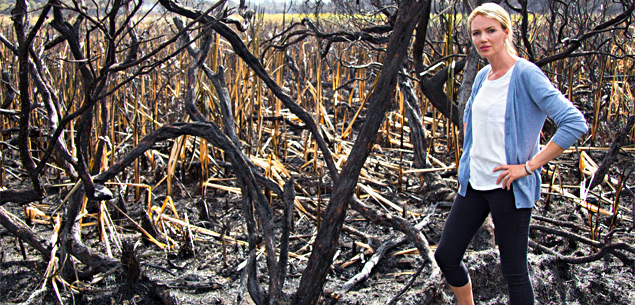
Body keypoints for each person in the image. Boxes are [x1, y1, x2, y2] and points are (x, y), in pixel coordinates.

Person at [433, 3, 588, 305]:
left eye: (491, 30)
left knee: (514, 273)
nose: (483, 38)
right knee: (447, 255)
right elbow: (473, 123)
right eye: (476, 33)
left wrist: (528, 166)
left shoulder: (526, 75)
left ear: (506, 32)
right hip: (474, 185)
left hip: (508, 187)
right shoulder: (482, 77)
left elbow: (574, 123)